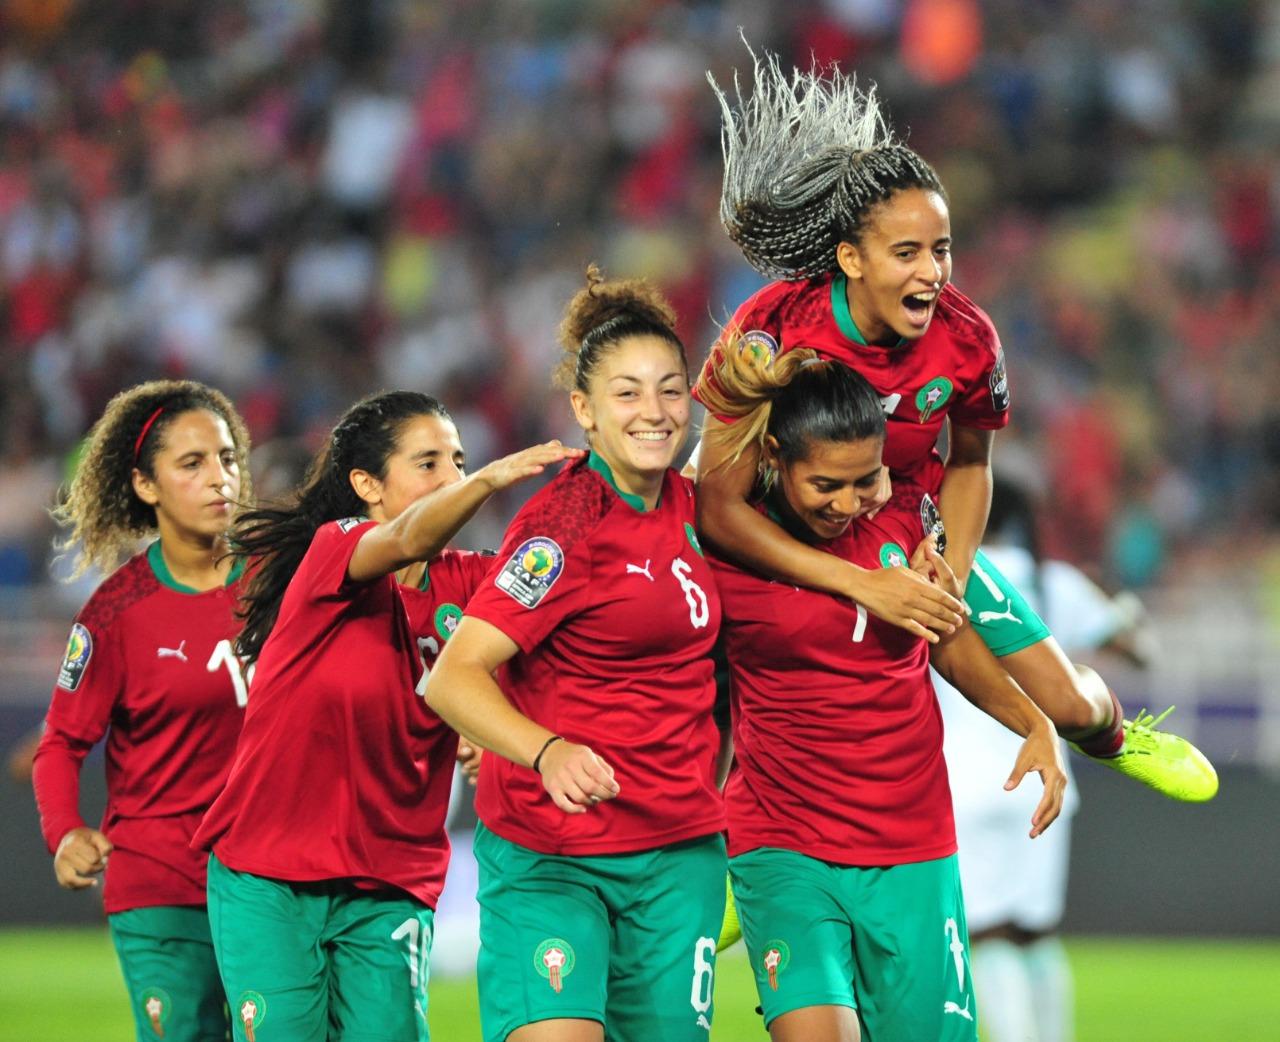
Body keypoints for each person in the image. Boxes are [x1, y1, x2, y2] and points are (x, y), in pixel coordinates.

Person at [693, 44, 1216, 803]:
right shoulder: (773, 329)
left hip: (907, 524)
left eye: (941, 250)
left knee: (1063, 703)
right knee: (701, 656)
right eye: (906, 253)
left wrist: (955, 570)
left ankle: (1114, 732)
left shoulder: (968, 339)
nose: (932, 272)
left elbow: (970, 464)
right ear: (851, 258)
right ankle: (722, 842)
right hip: (782, 520)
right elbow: (716, 504)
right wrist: (854, 583)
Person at [700, 339, 1066, 1042]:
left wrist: (1032, 721)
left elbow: (949, 638)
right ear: (774, 458)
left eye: (865, 479)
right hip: (783, 841)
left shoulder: (904, 520)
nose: (849, 503)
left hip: (912, 843)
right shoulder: (728, 545)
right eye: (826, 486)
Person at [192, 390, 576, 1042]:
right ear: (366, 484)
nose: (453, 478)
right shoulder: (333, 554)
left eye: (459, 461)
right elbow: (406, 535)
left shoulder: (473, 587)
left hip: (388, 883)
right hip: (270, 877)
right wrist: (488, 479)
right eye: (428, 464)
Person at [426, 268, 727, 1042]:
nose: (654, 412)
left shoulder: (700, 511)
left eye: (669, 390)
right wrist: (545, 751)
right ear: (584, 412)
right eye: (626, 394)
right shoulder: (563, 525)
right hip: (553, 852)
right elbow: (452, 677)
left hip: (677, 856)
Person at [32, 380, 254, 1042]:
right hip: (160, 883)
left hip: (271, 880)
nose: (220, 479)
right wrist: (66, 832)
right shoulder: (115, 613)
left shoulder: (284, 581)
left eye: (227, 458)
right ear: (146, 485)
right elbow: (62, 742)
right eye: (192, 464)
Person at [939, 477, 1156, 1042]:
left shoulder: (939, 567)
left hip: (964, 778)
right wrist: (1115, 602)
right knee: (1036, 933)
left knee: (986, 933)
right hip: (1046, 775)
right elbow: (1138, 649)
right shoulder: (1051, 580)